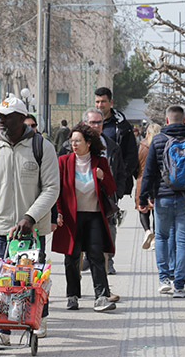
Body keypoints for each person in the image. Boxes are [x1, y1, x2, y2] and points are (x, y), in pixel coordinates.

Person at [0, 96, 59, 343]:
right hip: (1, 229)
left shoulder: (42, 147)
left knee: (33, 280)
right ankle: (3, 328)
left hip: (33, 230)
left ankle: (39, 318)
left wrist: (30, 217)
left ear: (21, 118)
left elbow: (52, 188)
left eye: (6, 116)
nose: (0, 120)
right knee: (1, 282)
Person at [138, 105, 185, 298]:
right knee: (183, 240)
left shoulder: (158, 140)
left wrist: (143, 198)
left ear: (167, 120)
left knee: (162, 237)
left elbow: (149, 172)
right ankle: (179, 286)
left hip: (163, 197)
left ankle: (164, 279)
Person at [52, 123, 117, 312]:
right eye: (72, 141)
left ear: (88, 143)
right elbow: (57, 190)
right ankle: (72, 296)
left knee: (96, 255)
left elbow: (111, 189)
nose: (74, 144)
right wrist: (58, 212)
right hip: (71, 217)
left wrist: (102, 176)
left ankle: (101, 296)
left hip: (94, 215)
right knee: (71, 257)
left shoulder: (99, 162)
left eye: (78, 141)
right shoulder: (63, 161)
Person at [81, 108, 126, 279]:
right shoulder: (73, 144)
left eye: (99, 122)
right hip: (82, 195)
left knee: (109, 229)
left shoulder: (111, 145)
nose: (96, 126)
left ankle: (108, 262)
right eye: (92, 122)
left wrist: (117, 191)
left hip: (106, 195)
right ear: (85, 123)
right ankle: (87, 257)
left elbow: (120, 170)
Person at [94, 87, 138, 195]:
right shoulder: (86, 123)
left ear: (111, 102)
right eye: (97, 102)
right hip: (91, 179)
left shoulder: (122, 126)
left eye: (103, 101)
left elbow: (132, 154)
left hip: (112, 182)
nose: (100, 105)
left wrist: (120, 175)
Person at [135, 123, 161, 250]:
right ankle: (155, 238)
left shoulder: (140, 146)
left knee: (143, 209)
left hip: (142, 180)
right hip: (157, 182)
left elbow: (135, 165)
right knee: (156, 212)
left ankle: (147, 230)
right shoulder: (160, 145)